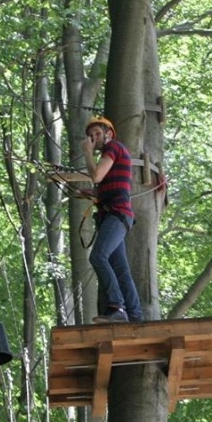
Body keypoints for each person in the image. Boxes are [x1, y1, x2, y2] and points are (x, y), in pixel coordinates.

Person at [81, 116, 142, 323]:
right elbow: (105, 185)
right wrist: (91, 193)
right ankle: (134, 315)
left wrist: (87, 153)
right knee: (120, 268)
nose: (94, 138)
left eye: (97, 133)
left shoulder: (113, 148)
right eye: (91, 135)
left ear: (108, 133)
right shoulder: (112, 155)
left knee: (97, 257)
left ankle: (117, 306)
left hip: (117, 214)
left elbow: (96, 176)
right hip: (114, 214)